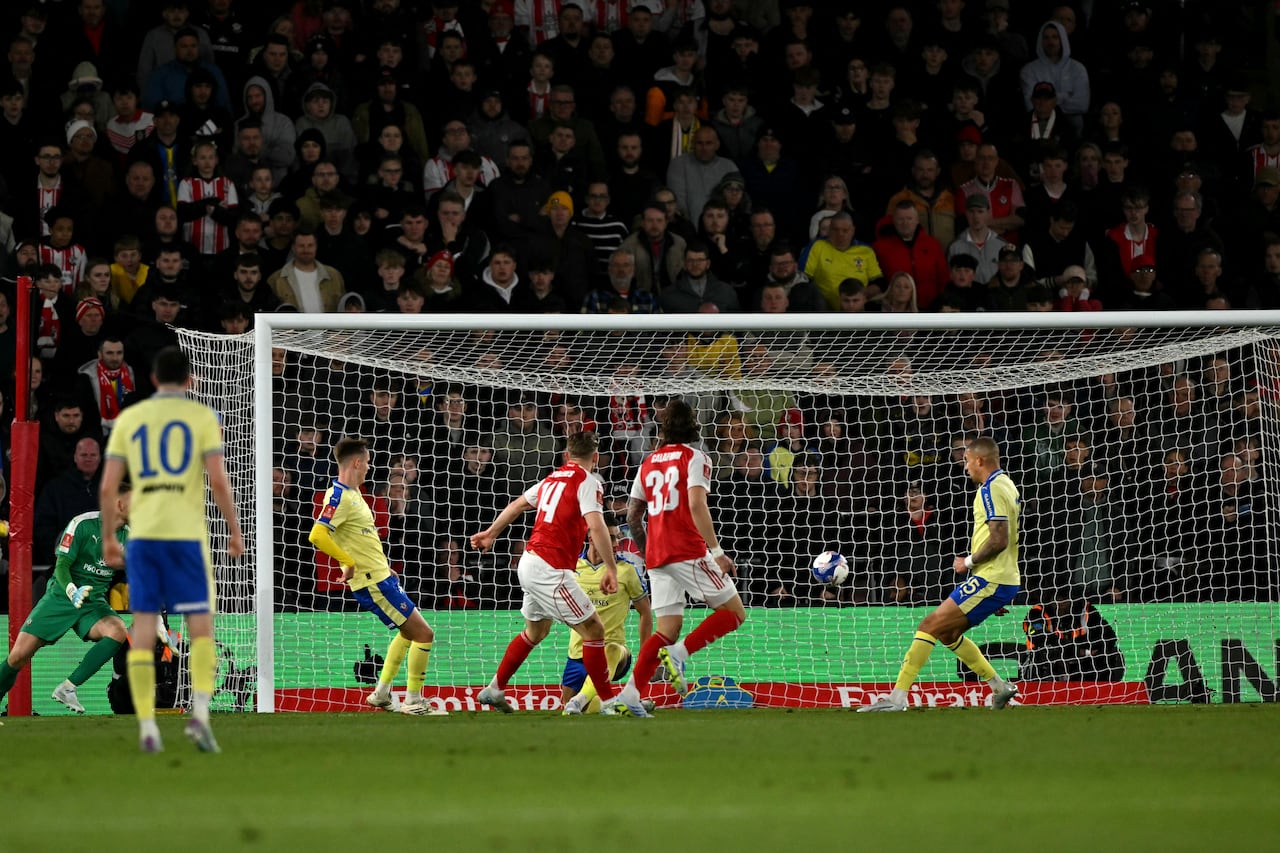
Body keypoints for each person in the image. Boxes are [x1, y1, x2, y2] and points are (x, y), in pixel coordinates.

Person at [100, 346, 245, 753]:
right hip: (185, 534)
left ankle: (147, 725)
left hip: (144, 535)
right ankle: (199, 717)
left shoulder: (130, 418)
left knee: (144, 629)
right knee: (200, 629)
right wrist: (234, 530)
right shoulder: (201, 417)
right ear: (190, 381)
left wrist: (111, 537)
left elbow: (110, 485)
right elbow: (218, 481)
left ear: (151, 380)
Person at [469, 431, 626, 715]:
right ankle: (609, 702)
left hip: (528, 561)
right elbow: (596, 525)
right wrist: (611, 568)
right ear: (596, 458)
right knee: (594, 630)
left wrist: (491, 533)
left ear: (566, 455)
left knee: (536, 630)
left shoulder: (552, 478)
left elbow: (517, 505)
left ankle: (494, 688)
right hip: (550, 569)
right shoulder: (588, 482)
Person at [860, 436, 1019, 712]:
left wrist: (967, 563)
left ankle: (897, 699)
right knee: (948, 634)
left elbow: (999, 539)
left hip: (991, 578)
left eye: (968, 460)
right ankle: (999, 687)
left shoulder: (990, 489)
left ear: (980, 460)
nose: (965, 466)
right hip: (997, 579)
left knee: (928, 626)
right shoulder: (1006, 484)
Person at [614, 399, 747, 715]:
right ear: (694, 425)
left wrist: (649, 553)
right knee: (734, 613)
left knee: (666, 630)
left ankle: (630, 695)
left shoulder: (648, 463)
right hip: (687, 549)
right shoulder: (696, 458)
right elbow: (697, 505)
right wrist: (717, 553)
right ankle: (678, 655)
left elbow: (633, 516)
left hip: (658, 555)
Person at [308, 436, 445, 717]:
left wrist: (383, 565)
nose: (369, 467)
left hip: (382, 575)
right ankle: (413, 701)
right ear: (357, 462)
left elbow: (361, 539)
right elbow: (317, 534)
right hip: (372, 582)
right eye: (368, 462)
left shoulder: (354, 493)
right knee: (424, 633)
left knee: (408, 634)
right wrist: (346, 562)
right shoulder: (340, 496)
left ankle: (382, 694)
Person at [0, 482, 132, 715]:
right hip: (62, 597)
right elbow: (62, 565)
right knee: (18, 657)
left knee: (118, 630)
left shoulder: (129, 538)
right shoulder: (83, 523)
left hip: (93, 602)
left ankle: (68, 688)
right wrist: (72, 590)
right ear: (120, 504)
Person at [560, 519, 653, 715]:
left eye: (617, 538)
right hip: (578, 654)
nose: (615, 544)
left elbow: (645, 612)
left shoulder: (626, 570)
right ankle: (619, 703)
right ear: (591, 536)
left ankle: (580, 699)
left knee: (610, 649)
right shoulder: (572, 568)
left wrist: (645, 656)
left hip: (616, 653)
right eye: (610, 537)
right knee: (571, 711)